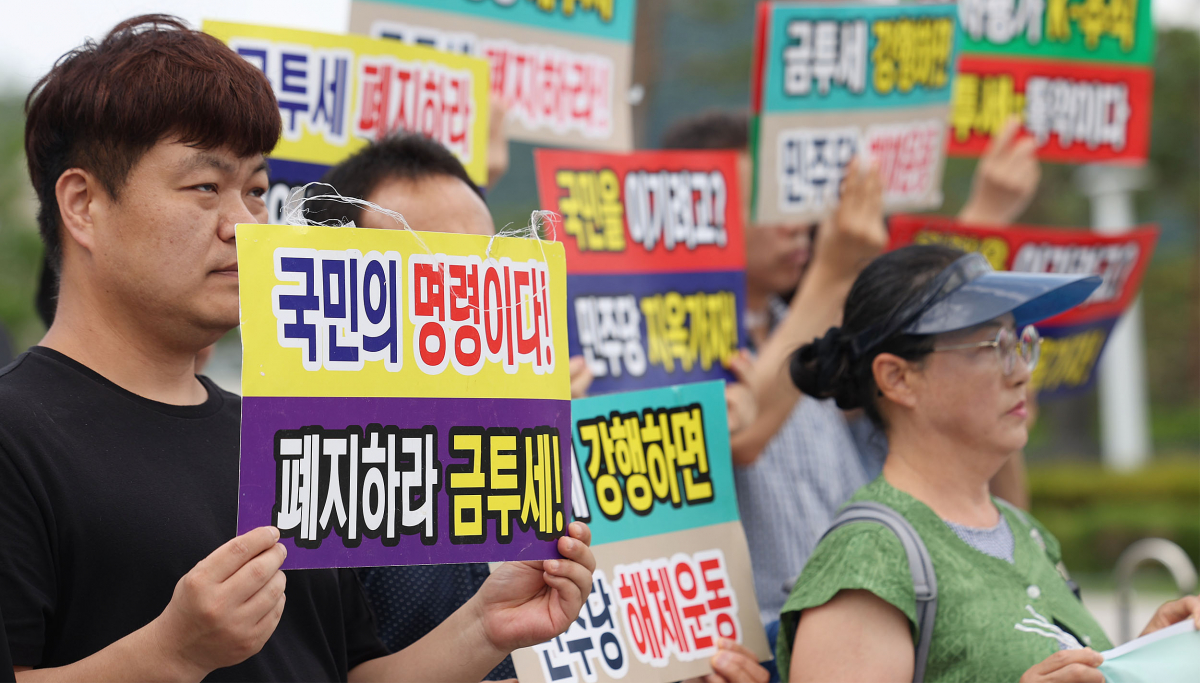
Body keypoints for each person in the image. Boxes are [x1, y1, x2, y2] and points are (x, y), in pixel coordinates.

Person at [0, 15, 595, 682]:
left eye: (255, 191)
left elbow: (346, 672)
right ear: (83, 204)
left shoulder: (280, 433)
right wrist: (169, 654)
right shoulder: (16, 434)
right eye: (205, 188)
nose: (244, 225)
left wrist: (486, 624)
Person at [661, 109, 1045, 677]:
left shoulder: (821, 334)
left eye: (796, 200)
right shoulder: (654, 346)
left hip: (866, 633)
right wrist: (832, 271)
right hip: (742, 658)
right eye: (764, 204)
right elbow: (740, 436)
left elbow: (938, 438)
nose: (797, 223)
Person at [778, 245, 1200, 683]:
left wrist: (1140, 659)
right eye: (993, 345)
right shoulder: (869, 555)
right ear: (898, 378)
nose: (1021, 371)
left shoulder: (1025, 532)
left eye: (1020, 343)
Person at [307, 134, 591, 681]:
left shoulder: (553, 438)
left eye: (489, 260)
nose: (469, 288)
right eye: (434, 264)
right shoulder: (306, 473)